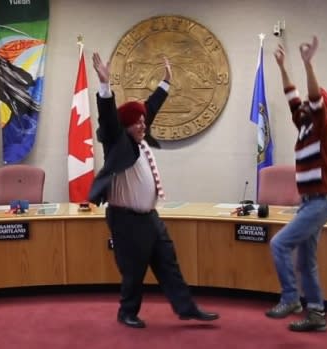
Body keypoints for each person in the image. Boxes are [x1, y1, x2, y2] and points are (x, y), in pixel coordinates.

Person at [88, 52, 219, 329]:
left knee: (167, 261)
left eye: (143, 122)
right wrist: (104, 85)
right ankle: (127, 313)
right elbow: (109, 118)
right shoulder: (117, 141)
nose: (142, 125)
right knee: (134, 269)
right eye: (136, 123)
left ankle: (187, 308)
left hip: (149, 217)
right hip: (126, 219)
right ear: (125, 127)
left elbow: (150, 108)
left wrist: (166, 82)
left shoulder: (141, 136)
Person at [265, 36, 327, 332]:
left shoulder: (322, 128)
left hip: (320, 203)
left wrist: (308, 64)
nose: (304, 104)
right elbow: (291, 94)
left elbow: (313, 96)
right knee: (306, 262)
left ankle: (291, 298)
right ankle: (317, 315)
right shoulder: (304, 125)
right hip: (310, 202)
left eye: (311, 103)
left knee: (279, 243)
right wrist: (283, 67)